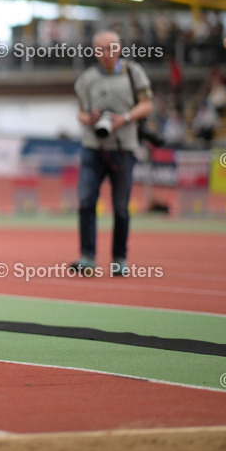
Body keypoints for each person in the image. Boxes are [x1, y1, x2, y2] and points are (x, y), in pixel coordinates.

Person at [71, 31, 153, 277]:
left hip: (123, 149)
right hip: (92, 149)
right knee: (86, 201)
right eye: (100, 49)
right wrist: (90, 118)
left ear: (119, 48)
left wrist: (124, 119)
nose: (105, 54)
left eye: (110, 48)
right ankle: (87, 256)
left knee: (121, 207)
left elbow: (147, 104)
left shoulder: (133, 73)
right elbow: (80, 113)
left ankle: (119, 259)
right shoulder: (86, 79)